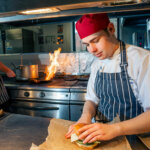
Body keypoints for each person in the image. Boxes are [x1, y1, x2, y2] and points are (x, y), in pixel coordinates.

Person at [65, 13, 150, 144]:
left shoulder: (142, 60)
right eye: (86, 44)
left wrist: (115, 129)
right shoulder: (97, 64)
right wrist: (85, 117)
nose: (92, 49)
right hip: (101, 141)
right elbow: (91, 100)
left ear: (111, 29)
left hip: (136, 141)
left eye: (95, 41)